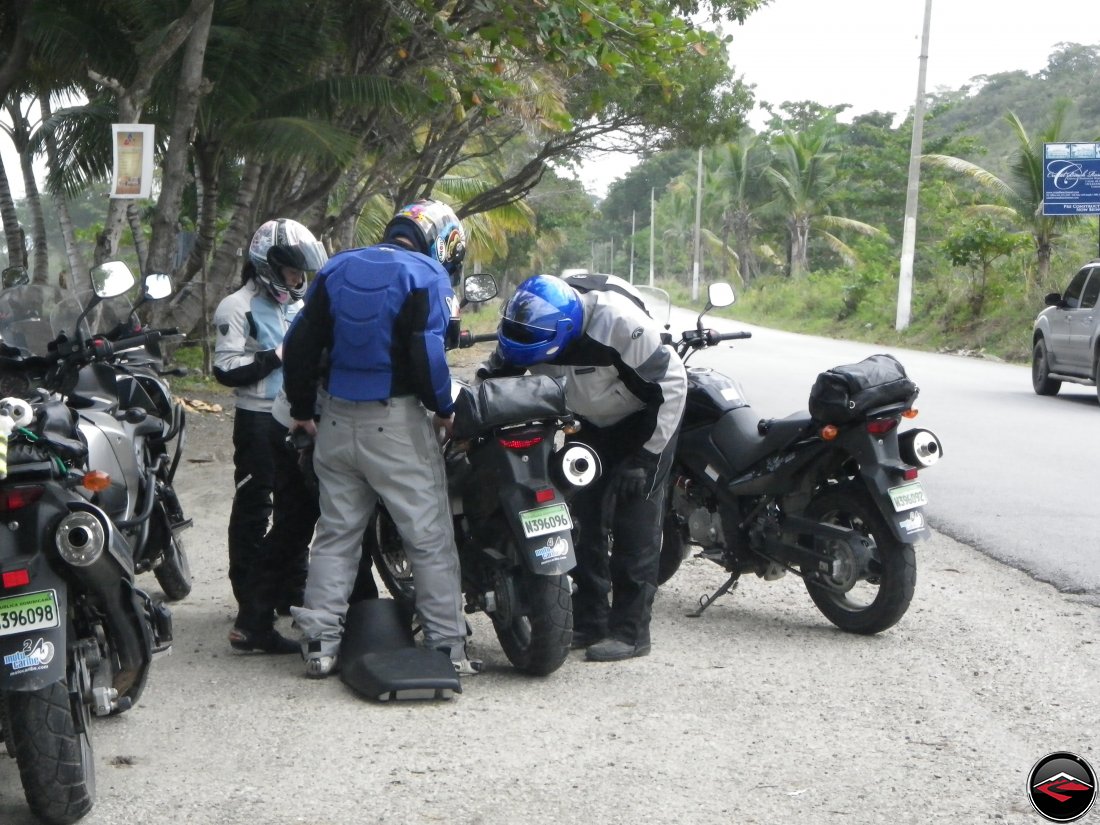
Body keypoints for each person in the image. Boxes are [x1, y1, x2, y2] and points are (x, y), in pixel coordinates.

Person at [281, 198, 473, 679]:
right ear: (441, 242)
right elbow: (428, 354)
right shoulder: (428, 276)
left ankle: (320, 642)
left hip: (338, 421)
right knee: (427, 537)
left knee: (335, 535)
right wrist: (446, 410)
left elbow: (300, 345)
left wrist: (304, 411)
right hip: (397, 423)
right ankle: (447, 644)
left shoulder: (337, 268)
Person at [478, 272, 687, 662]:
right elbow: (492, 379)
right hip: (588, 422)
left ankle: (631, 632)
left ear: (566, 332)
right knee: (584, 516)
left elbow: (672, 383)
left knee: (635, 521)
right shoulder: (526, 325)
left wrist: (646, 456)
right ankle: (591, 619)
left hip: (646, 419)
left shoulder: (619, 325)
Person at [213, 218, 328, 654]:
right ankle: (248, 594)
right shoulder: (235, 306)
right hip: (258, 416)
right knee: (255, 502)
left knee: (296, 504)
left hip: (299, 416)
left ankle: (291, 591)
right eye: (291, 271)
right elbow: (225, 371)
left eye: (302, 272)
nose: (298, 280)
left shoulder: (300, 307)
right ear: (267, 266)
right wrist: (281, 355)